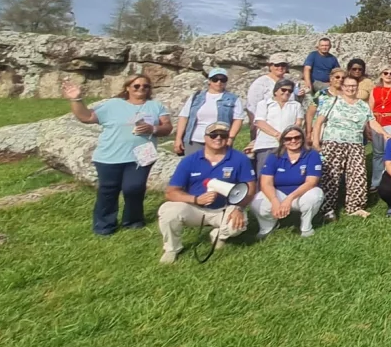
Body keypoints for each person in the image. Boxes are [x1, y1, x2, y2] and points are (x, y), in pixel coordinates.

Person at [63, 75, 171, 235]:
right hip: (110, 155)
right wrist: (76, 99)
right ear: (127, 88)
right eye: (136, 86)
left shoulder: (156, 106)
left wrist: (153, 129)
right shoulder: (113, 105)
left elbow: (167, 127)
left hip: (143, 154)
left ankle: (133, 222)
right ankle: (104, 226)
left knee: (134, 188)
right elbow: (86, 117)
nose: (141, 88)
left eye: (145, 86)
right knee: (108, 191)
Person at [156, 121, 256, 264]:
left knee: (239, 224)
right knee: (168, 211)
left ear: (228, 138)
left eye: (223, 135)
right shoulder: (190, 160)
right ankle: (172, 248)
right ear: (205, 138)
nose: (218, 138)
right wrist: (196, 199)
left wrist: (238, 208)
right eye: (213, 135)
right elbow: (171, 192)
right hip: (195, 208)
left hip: (224, 208)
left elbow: (250, 187)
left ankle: (219, 235)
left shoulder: (239, 159)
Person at [313, 76, 386, 218]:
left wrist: (384, 133)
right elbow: (318, 122)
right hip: (333, 142)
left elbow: (372, 122)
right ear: (342, 86)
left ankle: (354, 207)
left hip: (356, 144)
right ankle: (327, 209)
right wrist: (316, 142)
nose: (350, 88)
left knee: (357, 175)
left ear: (357, 87)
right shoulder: (331, 101)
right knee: (330, 176)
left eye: (353, 85)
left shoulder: (362, 105)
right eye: (347, 85)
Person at [250, 127, 324, 237]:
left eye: (297, 137)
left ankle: (306, 227)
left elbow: (311, 182)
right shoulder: (274, 156)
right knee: (257, 200)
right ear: (283, 141)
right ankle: (268, 226)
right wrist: (274, 200)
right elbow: (266, 183)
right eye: (288, 139)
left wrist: (289, 199)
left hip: (301, 194)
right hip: (279, 194)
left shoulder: (312, 154)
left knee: (315, 195)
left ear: (302, 139)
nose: (293, 141)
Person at [175, 68, 245, 157]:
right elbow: (184, 117)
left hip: (218, 139)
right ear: (209, 81)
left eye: (222, 80)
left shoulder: (233, 99)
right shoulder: (196, 97)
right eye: (215, 79)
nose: (219, 82)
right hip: (195, 140)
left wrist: (230, 138)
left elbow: (238, 119)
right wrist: (178, 139)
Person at [251, 77, 305, 174]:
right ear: (276, 91)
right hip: (267, 144)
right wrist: (277, 135)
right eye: (283, 90)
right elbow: (260, 122)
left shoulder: (296, 105)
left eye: (290, 91)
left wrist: (287, 137)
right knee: (264, 174)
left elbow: (298, 123)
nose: (287, 92)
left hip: (288, 145)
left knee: (285, 173)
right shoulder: (264, 104)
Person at [245, 54, 293, 145]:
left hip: (287, 128)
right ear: (270, 66)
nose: (280, 67)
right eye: (277, 65)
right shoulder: (260, 83)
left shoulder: (289, 82)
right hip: (266, 128)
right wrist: (256, 126)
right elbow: (252, 106)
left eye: (283, 65)